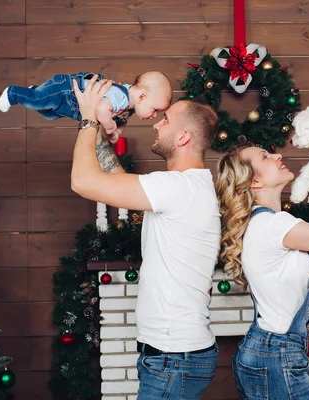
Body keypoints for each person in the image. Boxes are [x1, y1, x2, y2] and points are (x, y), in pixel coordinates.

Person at [69, 76, 221, 398]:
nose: (155, 125)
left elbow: (83, 181)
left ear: (183, 136)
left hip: (174, 357)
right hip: (174, 355)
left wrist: (86, 120)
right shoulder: (184, 186)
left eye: (165, 121)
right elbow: (117, 180)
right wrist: (100, 130)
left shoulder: (179, 188)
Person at [215, 134, 309, 399]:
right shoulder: (275, 226)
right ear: (255, 180)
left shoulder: (268, 223)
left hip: (268, 353)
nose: (277, 155)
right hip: (276, 356)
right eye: (265, 156)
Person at [0, 71, 172, 142]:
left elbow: (122, 120)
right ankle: (13, 93)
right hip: (66, 90)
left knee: (49, 114)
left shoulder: (130, 106)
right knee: (39, 101)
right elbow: (103, 109)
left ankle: (35, 92)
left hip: (69, 105)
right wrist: (111, 128)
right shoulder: (121, 97)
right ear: (142, 96)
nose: (154, 115)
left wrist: (117, 131)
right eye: (155, 109)